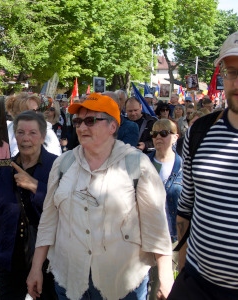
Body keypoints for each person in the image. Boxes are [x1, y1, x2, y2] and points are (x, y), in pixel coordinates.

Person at [27, 93, 173, 300]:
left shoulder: (137, 164)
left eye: (90, 120)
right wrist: (36, 268)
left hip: (121, 284)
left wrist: (166, 277)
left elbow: (156, 226)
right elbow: (49, 220)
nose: (81, 127)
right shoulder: (63, 164)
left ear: (113, 127)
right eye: (78, 121)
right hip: (70, 281)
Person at [168, 30, 238, 300]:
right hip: (197, 283)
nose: (236, 82)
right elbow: (186, 206)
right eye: (231, 72)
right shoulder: (200, 133)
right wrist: (182, 266)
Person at [0, 111, 58, 299]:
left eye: (32, 133)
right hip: (9, 255)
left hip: (48, 257)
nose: (26, 138)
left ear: (42, 137)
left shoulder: (56, 167)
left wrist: (35, 186)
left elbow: (65, 209)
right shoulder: (4, 167)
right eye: (20, 132)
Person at [147, 119, 182, 300]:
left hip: (172, 237)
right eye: (154, 133)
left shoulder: (184, 167)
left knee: (161, 288)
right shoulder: (142, 163)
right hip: (144, 235)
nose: (158, 137)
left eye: (163, 133)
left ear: (175, 137)